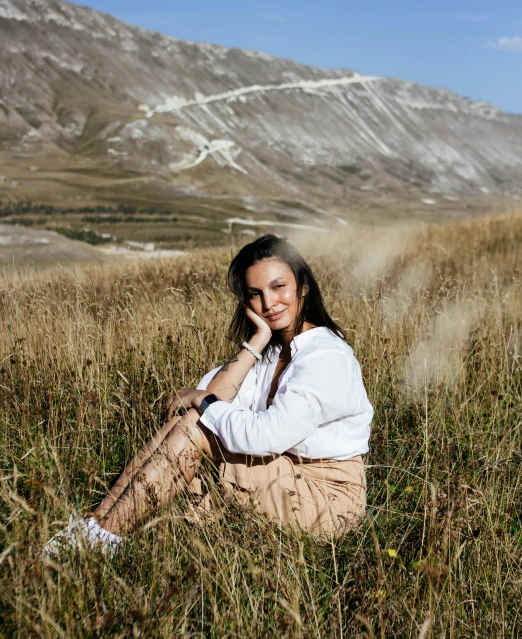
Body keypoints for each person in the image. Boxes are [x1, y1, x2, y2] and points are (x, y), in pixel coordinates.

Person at [45, 234, 373, 555]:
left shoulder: (326, 357)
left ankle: (101, 538)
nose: (269, 303)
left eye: (278, 287)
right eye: (255, 294)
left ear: (303, 287)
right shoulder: (274, 350)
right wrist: (256, 342)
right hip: (285, 471)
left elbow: (264, 434)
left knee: (194, 430)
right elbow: (214, 398)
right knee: (186, 427)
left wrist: (204, 403)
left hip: (326, 498)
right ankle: (96, 526)